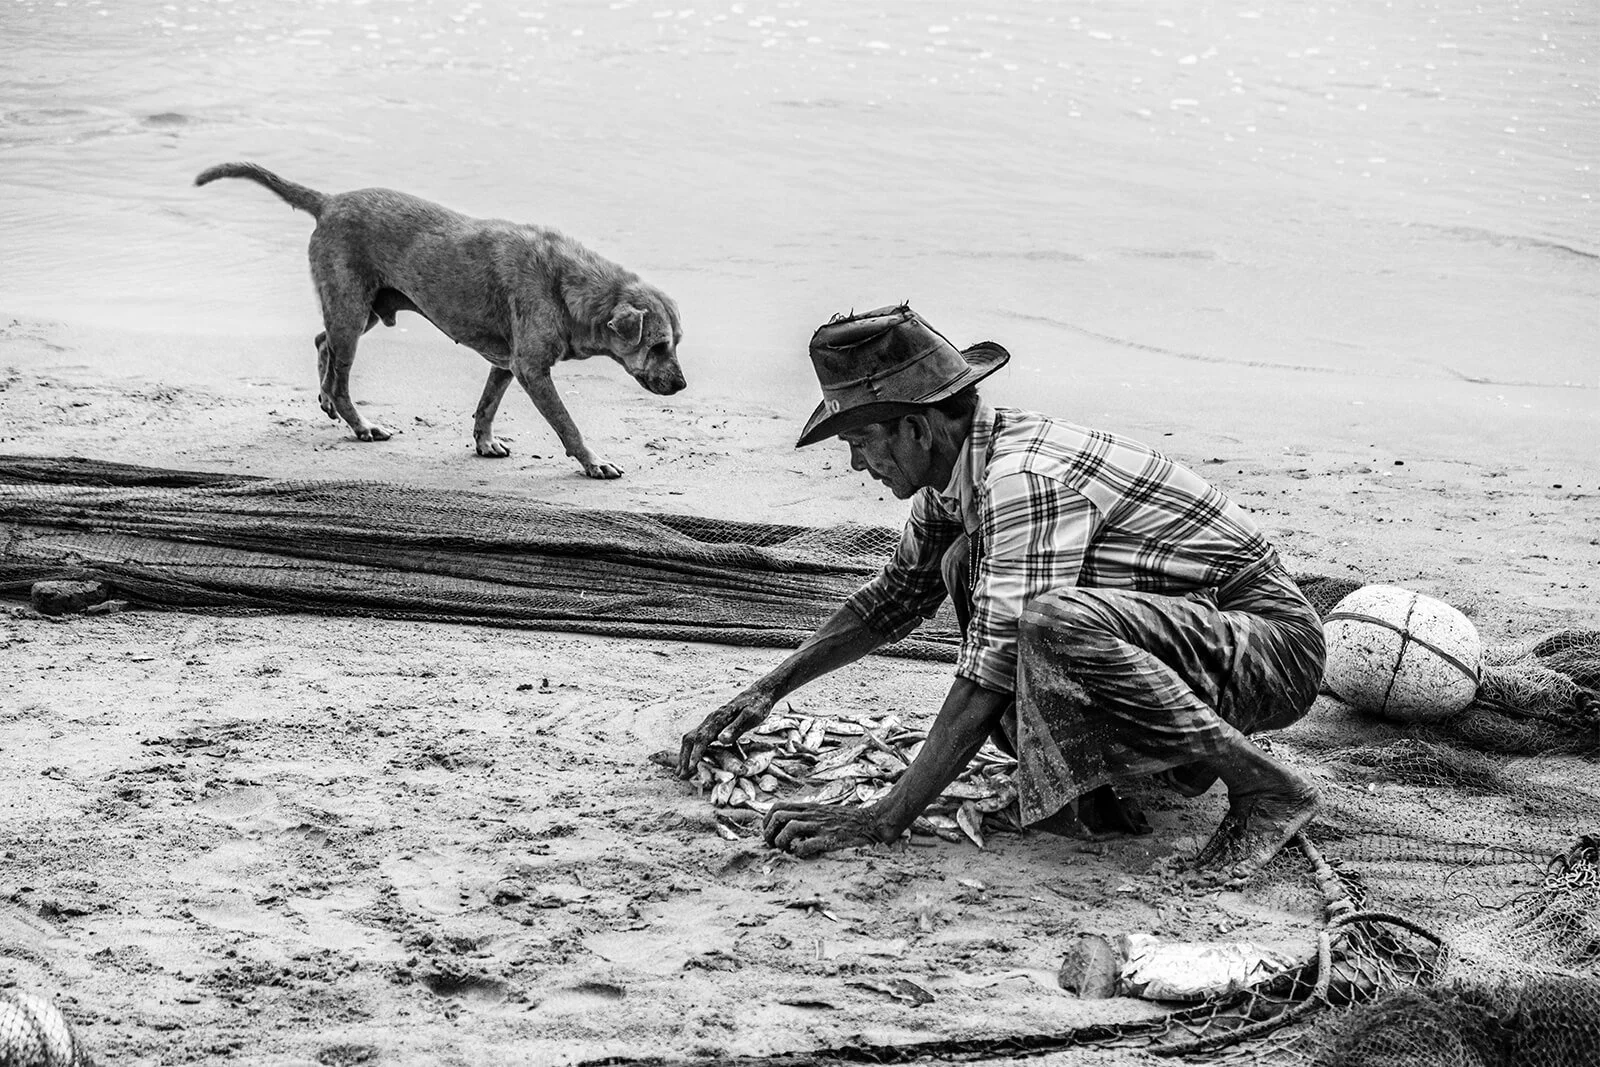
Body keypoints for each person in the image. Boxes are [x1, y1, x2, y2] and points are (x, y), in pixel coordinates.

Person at [676, 304, 1325, 882]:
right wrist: (767, 687)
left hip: (1268, 646)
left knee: (1048, 623)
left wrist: (883, 817)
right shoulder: (957, 475)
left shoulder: (1021, 479)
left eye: (859, 443)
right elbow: (894, 597)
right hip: (1187, 637)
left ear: (917, 430)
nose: (855, 465)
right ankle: (1139, 772)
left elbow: (990, 670)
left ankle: (1264, 789)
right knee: (961, 562)